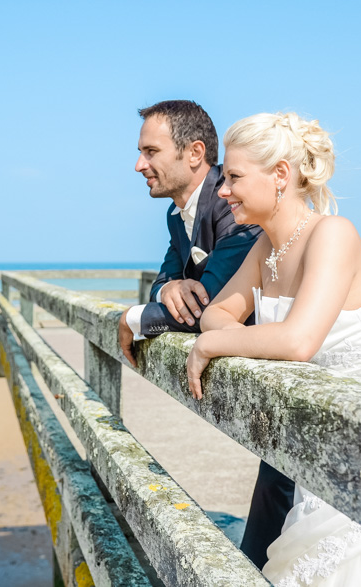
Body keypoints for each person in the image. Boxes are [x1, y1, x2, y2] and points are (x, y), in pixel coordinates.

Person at [185, 112, 361, 586]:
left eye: (234, 177)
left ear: (281, 176)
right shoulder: (265, 247)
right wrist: (216, 333)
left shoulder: (333, 235)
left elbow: (297, 340)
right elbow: (215, 314)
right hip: (329, 429)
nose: (223, 191)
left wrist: (215, 342)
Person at [117, 100, 294, 569]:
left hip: (288, 368)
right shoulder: (177, 216)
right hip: (266, 371)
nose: (139, 165)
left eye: (150, 151)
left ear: (194, 153)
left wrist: (132, 320)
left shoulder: (235, 205)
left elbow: (205, 306)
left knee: (285, 497)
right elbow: (166, 281)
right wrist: (169, 287)